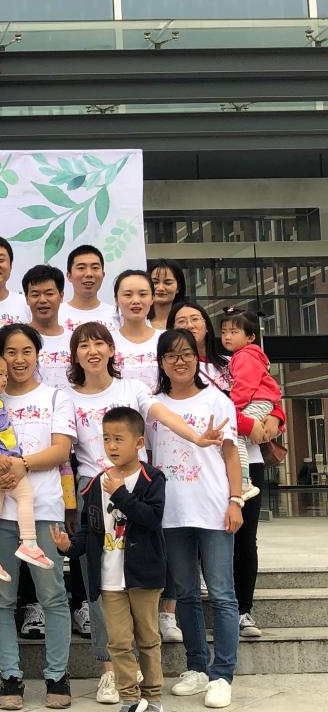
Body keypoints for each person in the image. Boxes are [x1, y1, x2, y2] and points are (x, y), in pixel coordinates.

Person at [64, 320, 225, 704]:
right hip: (93, 487)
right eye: (83, 345)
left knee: (137, 585)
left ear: (111, 350)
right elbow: (61, 450)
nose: (92, 351)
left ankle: (143, 679)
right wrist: (71, 503)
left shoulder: (132, 388)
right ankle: (110, 673)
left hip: (133, 485)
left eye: (99, 343)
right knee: (101, 584)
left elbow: (163, 415)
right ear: (75, 356)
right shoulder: (65, 396)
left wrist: (197, 437)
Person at [170, 301, 284, 640]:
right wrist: (248, 424)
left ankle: (243, 610)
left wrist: (276, 419)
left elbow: (270, 395)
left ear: (206, 326)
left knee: (245, 538)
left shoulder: (231, 361)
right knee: (204, 536)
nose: (190, 324)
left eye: (195, 318)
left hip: (247, 459)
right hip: (201, 465)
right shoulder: (176, 368)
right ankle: (206, 608)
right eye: (181, 320)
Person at [0, 324, 74, 711]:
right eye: (10, 352)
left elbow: (61, 451)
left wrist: (22, 465)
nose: (19, 360)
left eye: (26, 352)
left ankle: (57, 675)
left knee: (53, 596)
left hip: (44, 510)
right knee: (2, 598)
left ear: (38, 355)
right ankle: (10, 677)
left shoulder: (55, 397)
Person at [149, 329, 242, 709]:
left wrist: (235, 500)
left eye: (186, 353)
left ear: (197, 358)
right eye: (171, 355)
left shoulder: (217, 400)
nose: (180, 361)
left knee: (221, 594)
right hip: (171, 514)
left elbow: (231, 454)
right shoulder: (153, 406)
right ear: (161, 362)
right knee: (185, 593)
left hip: (214, 509)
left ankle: (222, 675)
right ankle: (197, 668)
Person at [51, 407, 167, 712]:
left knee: (148, 639)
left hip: (144, 576)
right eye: (106, 439)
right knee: (117, 641)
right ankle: (130, 698)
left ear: (139, 442)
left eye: (118, 438)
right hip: (109, 579)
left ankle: (153, 698)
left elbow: (152, 518)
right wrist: (68, 547)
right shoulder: (96, 483)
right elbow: (89, 531)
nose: (111, 446)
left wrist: (120, 495)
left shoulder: (152, 478)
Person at [0, 352, 53, 581]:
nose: (6, 378)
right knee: (25, 495)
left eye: (6, 374)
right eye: (1, 374)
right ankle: (29, 543)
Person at [220, 309, 280, 501]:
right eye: (223, 332)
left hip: (257, 401)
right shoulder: (248, 355)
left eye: (234, 332)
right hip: (262, 402)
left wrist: (233, 408)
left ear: (250, 337)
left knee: (234, 436)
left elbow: (244, 386)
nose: (227, 336)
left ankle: (244, 482)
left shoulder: (244, 356)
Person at [22, 265, 72, 390]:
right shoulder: (17, 339)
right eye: (35, 295)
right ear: (27, 298)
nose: (43, 300)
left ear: (61, 296)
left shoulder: (75, 340)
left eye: (49, 294)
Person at [112, 270, 162, 393]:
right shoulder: (107, 342)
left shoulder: (165, 339)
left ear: (152, 298)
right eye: (128, 294)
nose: (136, 300)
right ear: (116, 300)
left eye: (143, 294)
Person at [58, 245, 119, 334]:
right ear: (69, 276)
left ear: (103, 275)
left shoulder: (117, 315)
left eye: (95, 268)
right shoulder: (56, 314)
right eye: (81, 268)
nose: (89, 274)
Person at [148, 259, 186, 330]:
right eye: (155, 282)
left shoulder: (187, 323)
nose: (160, 288)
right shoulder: (138, 321)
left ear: (178, 288)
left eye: (167, 283)